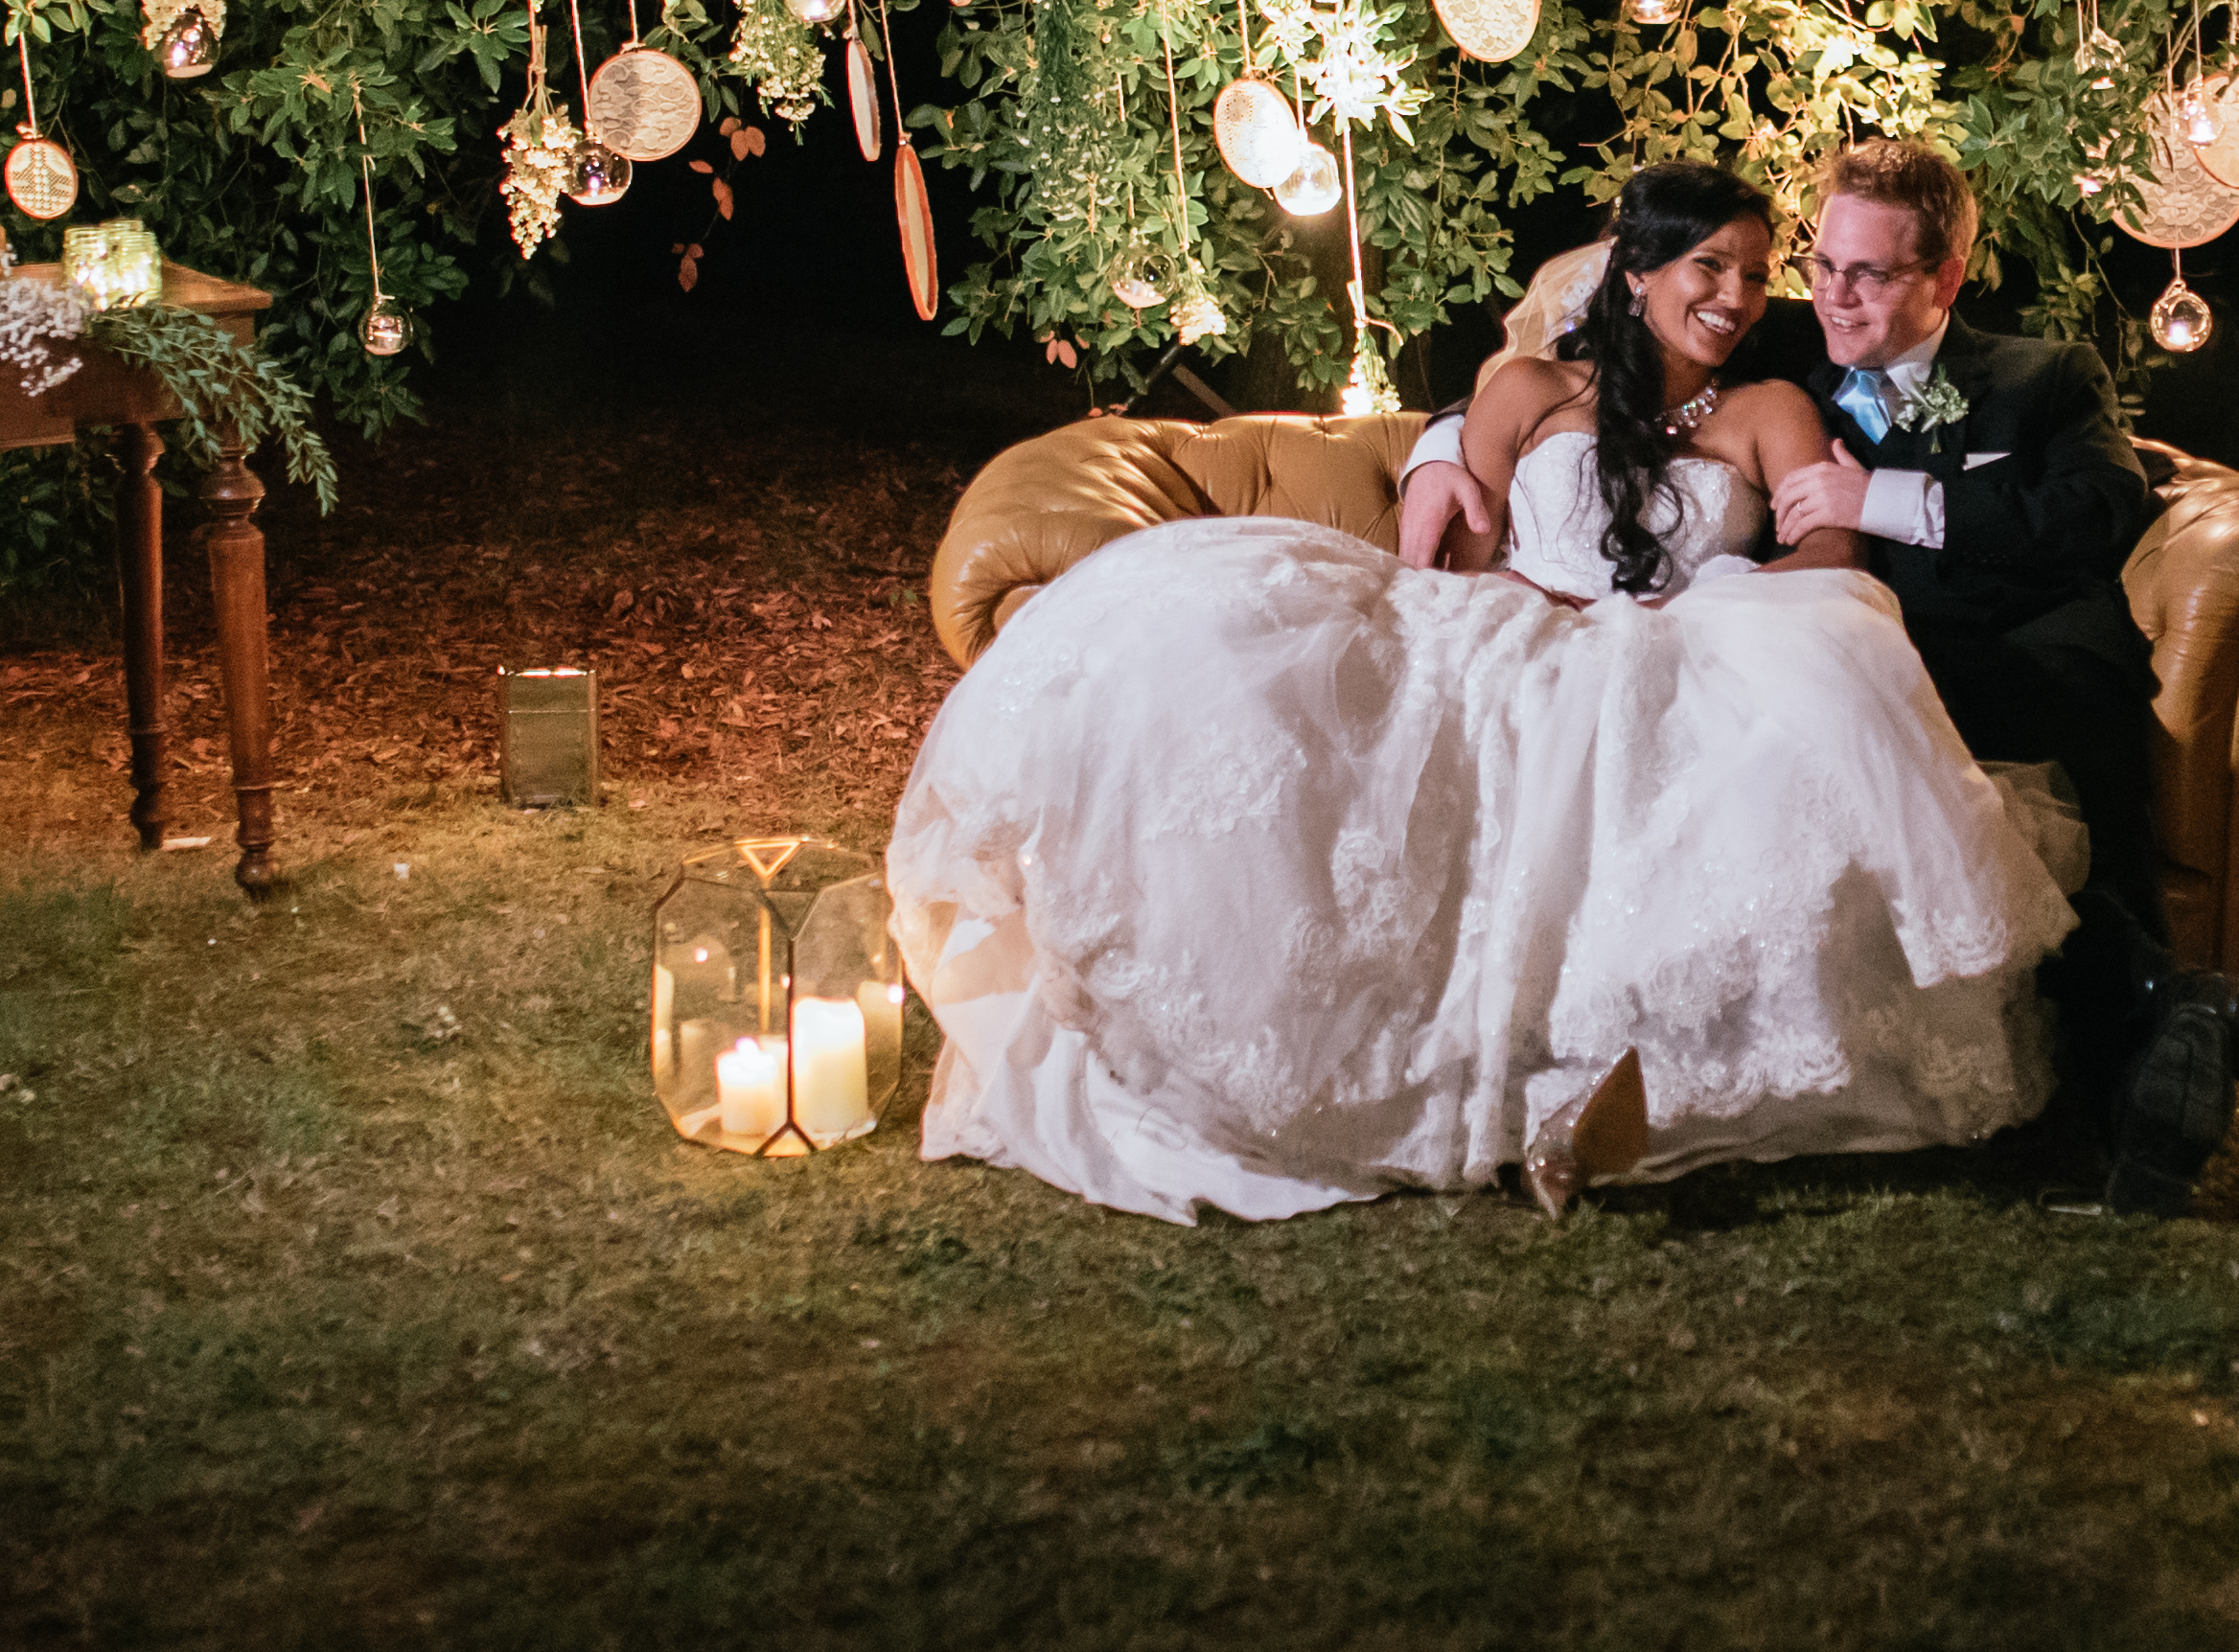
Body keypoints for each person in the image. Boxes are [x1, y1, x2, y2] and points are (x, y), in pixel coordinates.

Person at [889, 161, 2085, 1224]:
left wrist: (1715, 592)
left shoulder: (1774, 405)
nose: (1740, 294)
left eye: (1760, 273)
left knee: (1701, 736)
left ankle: (1589, 1084)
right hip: (1510, 623)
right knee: (1240, 664)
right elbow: (1460, 528)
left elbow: (1826, 552)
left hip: (1673, 640)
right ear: (1635, 273)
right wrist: (1441, 498)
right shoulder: (1527, 388)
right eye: (1711, 266)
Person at [1395, 134, 2239, 1210]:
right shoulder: (1771, 338)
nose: (1829, 293)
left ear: (1943, 276)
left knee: (1911, 740)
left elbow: (2095, 511)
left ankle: (2138, 1060)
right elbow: (1583, 370)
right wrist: (1441, 456)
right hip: (1799, 654)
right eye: (1819, 265)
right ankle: (2157, 1021)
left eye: (1870, 272)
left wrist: (1883, 504)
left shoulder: (2040, 375)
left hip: (2001, 649)